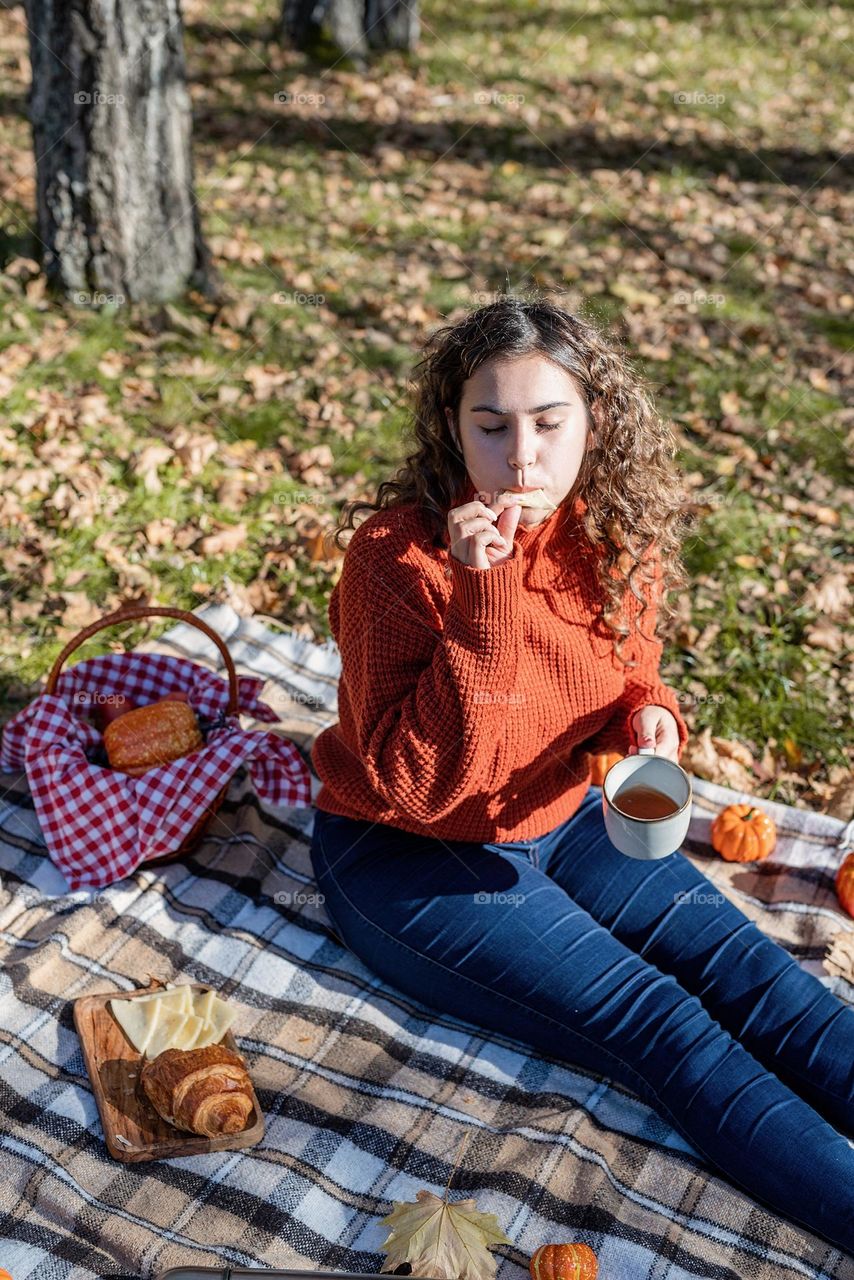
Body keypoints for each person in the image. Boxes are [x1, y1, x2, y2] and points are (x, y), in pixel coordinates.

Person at [309, 296, 854, 1252]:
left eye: (550, 422)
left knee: (751, 972)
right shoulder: (396, 559)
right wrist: (483, 596)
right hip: (413, 854)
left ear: (592, 420)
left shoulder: (608, 534)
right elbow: (421, 784)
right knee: (663, 1024)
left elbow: (624, 677)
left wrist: (651, 719)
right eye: (492, 426)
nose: (522, 458)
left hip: (563, 812)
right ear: (453, 428)